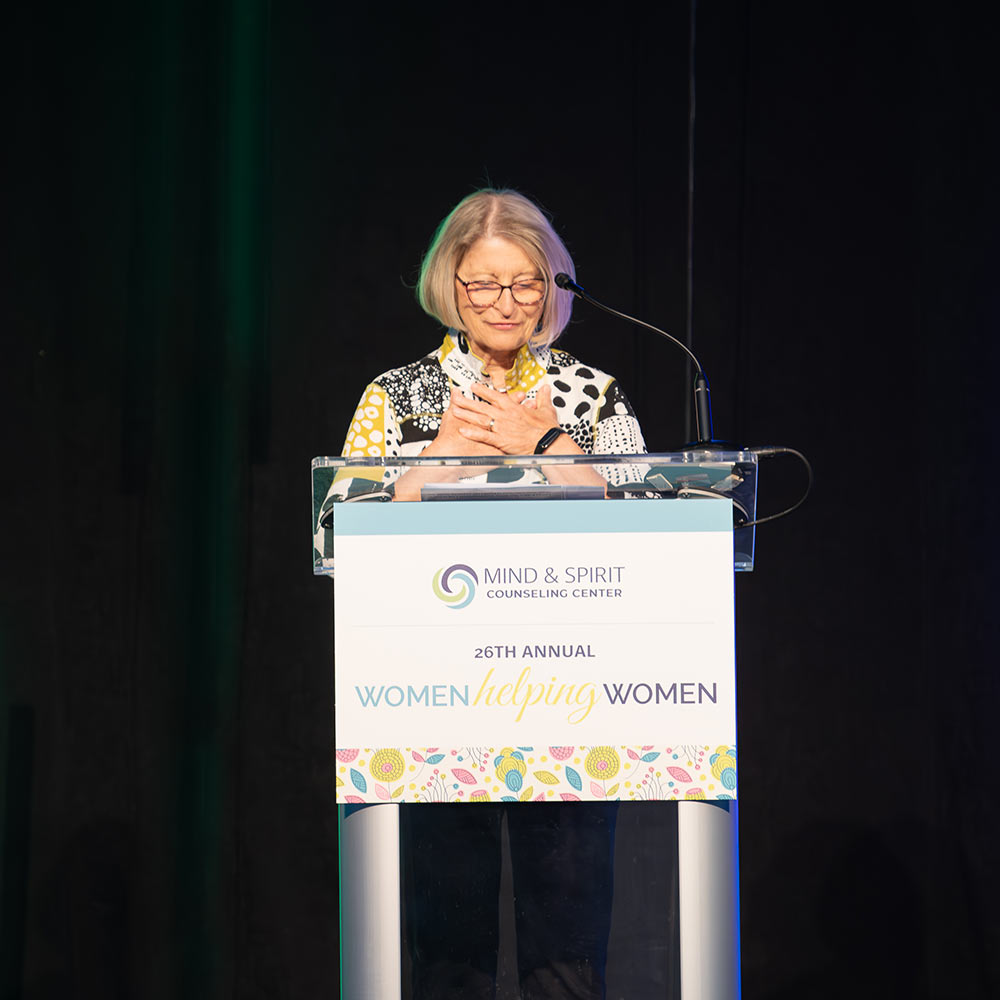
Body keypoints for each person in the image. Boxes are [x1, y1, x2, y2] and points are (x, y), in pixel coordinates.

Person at [323, 189, 647, 1000]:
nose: (507, 304)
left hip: (571, 689)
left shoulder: (594, 393)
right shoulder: (395, 397)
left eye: (526, 283)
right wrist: (438, 456)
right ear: (450, 285)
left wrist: (544, 442)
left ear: (553, 287)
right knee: (448, 958)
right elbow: (336, 543)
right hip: (436, 695)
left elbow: (650, 532)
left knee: (566, 962)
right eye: (485, 284)